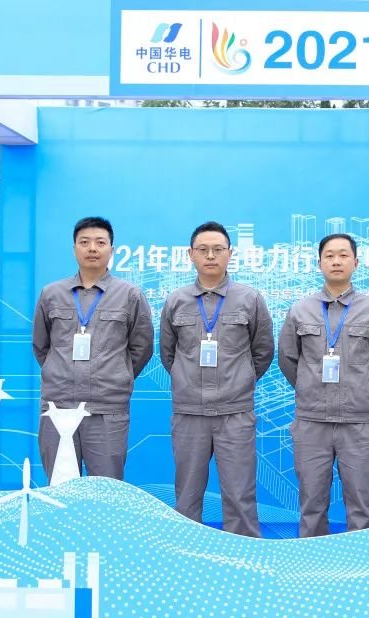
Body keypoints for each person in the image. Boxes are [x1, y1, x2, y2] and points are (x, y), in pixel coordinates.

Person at [278, 233, 369, 536]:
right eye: (329, 255)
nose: (336, 261)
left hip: (357, 422)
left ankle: (359, 562)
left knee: (361, 505)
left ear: (355, 263)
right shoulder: (300, 310)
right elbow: (288, 359)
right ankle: (312, 561)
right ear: (319, 263)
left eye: (343, 255)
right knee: (311, 505)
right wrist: (310, 388)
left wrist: (362, 388)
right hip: (311, 422)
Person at [160, 221, 274, 537]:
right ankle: (187, 555)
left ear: (229, 254)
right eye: (203, 249)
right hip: (189, 413)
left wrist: (240, 381)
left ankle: (244, 556)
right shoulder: (176, 300)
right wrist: (188, 381)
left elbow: (263, 351)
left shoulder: (250, 299)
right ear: (191, 254)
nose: (210, 256)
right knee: (187, 497)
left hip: (235, 413)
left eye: (217, 249)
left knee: (239, 496)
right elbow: (168, 354)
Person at [32, 216, 154, 481]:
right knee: (60, 488)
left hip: (106, 408)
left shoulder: (129, 295)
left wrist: (117, 373)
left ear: (112, 249)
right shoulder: (51, 293)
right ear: (74, 248)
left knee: (107, 490)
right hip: (59, 406)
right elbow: (41, 346)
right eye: (84, 242)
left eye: (100, 242)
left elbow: (142, 347)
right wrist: (62, 371)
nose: (92, 249)